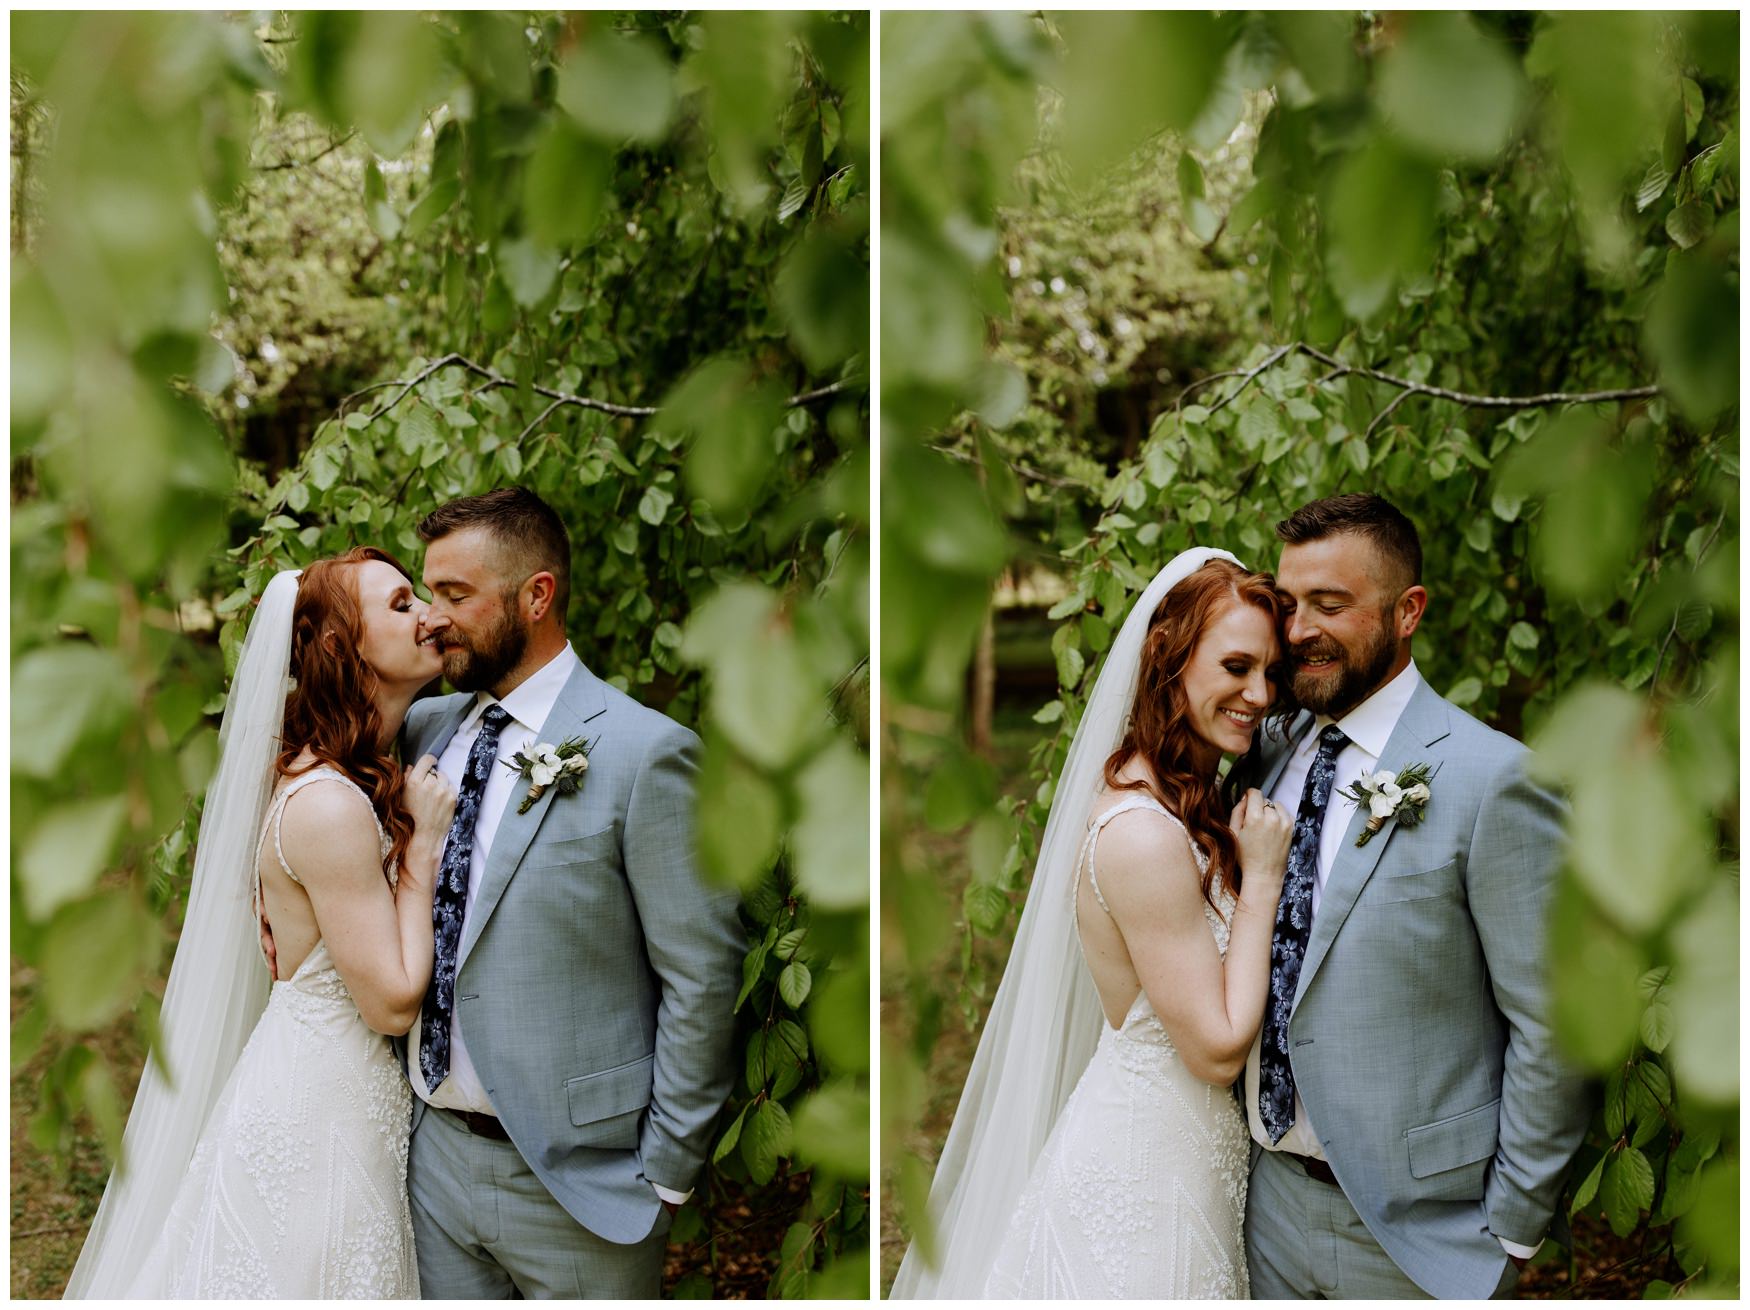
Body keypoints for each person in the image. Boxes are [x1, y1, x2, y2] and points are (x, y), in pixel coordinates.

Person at [891, 548, 1296, 1298]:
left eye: (1270, 673)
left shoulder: (1181, 800)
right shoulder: (1143, 834)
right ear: (1167, 658)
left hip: (1192, 1164)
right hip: (1142, 1183)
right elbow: (1212, 1050)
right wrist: (1265, 877)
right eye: (1236, 666)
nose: (1259, 694)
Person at [65, 548, 459, 1298]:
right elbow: (391, 999)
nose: (429, 616)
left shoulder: (343, 775)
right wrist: (426, 847)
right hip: (317, 1122)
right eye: (402, 605)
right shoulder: (330, 805)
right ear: (348, 647)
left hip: (342, 1096)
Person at [397, 487, 744, 1299]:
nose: (432, 616)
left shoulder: (645, 754)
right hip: (432, 1164)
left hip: (586, 1189)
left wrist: (664, 1174)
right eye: (427, 592)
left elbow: (701, 976)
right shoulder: (423, 731)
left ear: (537, 596)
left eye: (456, 595)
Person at [1241, 493, 1589, 1299]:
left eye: (1331, 605)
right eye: (1288, 605)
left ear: (1408, 612)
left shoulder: (1495, 779)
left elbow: (1555, 1019)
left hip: (1423, 1237)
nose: (1298, 631)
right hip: (1263, 1206)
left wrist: (1514, 1223)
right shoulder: (1264, 749)